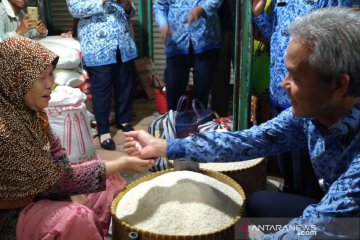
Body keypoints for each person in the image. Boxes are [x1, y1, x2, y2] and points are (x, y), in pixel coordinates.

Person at [124, 7, 360, 239]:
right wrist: (164, 147)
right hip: (335, 219)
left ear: (339, 85)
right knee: (253, 213)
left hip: (345, 227)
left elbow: (316, 228)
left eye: (295, 77)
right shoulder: (311, 115)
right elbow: (247, 141)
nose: (282, 84)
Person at [0, 37, 154, 239]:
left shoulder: (33, 113)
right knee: (75, 216)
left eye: (50, 74)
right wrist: (121, 163)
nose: (50, 84)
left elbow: (58, 156)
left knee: (110, 182)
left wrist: (72, 190)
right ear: (16, 80)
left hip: (45, 190)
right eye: (40, 78)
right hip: (11, 213)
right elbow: (55, 181)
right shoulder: (6, 131)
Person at [252, 0, 353, 198]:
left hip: (311, 101)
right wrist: (258, 15)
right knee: (287, 168)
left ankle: (310, 222)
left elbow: (342, 43)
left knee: (308, 176)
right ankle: (292, 208)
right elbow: (274, 34)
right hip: (281, 94)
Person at [66, 0, 138, 151]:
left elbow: (131, 12)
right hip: (98, 46)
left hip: (123, 44)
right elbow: (75, 9)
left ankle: (123, 120)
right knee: (102, 91)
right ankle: (104, 131)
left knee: (125, 85)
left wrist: (127, 4)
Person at [153, 0, 222, 110]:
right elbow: (160, 6)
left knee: (203, 87)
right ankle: (175, 121)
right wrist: (163, 24)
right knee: (174, 85)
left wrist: (202, 8)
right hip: (176, 41)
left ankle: (199, 121)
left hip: (205, 39)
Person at [210, 0, 236, 117]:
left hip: (241, 29)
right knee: (218, 79)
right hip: (218, 30)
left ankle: (243, 117)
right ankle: (218, 118)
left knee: (243, 77)